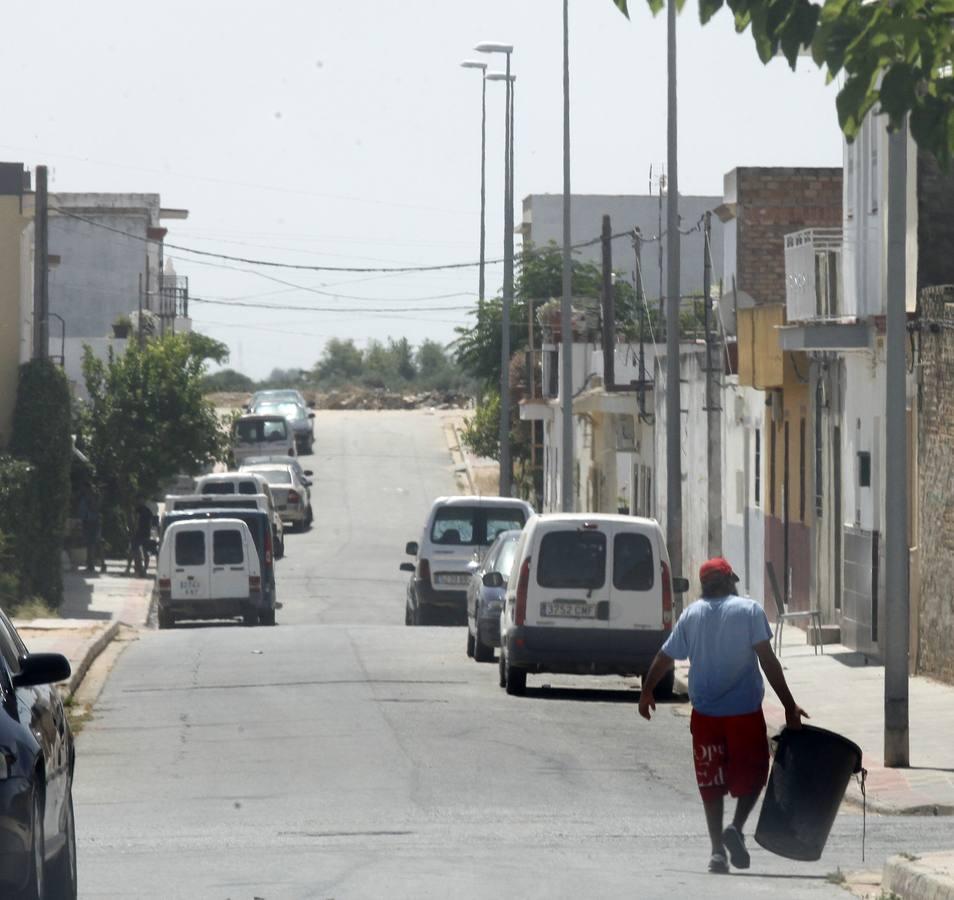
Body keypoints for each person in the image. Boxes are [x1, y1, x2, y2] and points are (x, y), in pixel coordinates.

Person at [638, 557, 808, 875]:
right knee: (755, 776)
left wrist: (647, 691)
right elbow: (769, 662)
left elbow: (663, 657)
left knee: (711, 782)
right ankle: (736, 827)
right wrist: (789, 704)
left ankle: (717, 851)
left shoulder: (691, 615)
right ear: (730, 581)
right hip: (744, 714)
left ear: (704, 587)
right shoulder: (749, 611)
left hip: (705, 716)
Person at [78, 482, 107, 575]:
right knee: (90, 544)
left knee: (95, 543)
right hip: (87, 521)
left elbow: (96, 508)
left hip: (93, 522)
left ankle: (100, 564)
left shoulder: (92, 497)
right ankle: (90, 564)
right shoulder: (86, 497)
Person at [125, 500, 154, 577]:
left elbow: (136, 521)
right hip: (146, 533)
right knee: (145, 551)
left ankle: (129, 568)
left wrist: (134, 531)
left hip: (138, 533)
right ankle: (145, 569)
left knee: (133, 550)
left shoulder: (138, 510)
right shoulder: (148, 511)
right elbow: (150, 523)